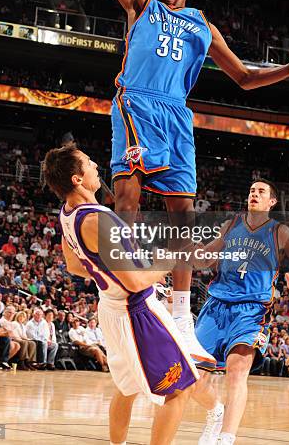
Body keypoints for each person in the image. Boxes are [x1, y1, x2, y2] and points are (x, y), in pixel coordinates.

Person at [48, 0, 289, 360]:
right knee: (128, 201)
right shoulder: (139, 5)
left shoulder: (202, 26)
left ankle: (178, 316)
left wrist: (287, 70)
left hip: (176, 114)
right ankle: (128, 292)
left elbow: (242, 77)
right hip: (136, 104)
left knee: (182, 215)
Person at [43, 143, 200, 445]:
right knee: (179, 390)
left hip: (112, 308)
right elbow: (137, 282)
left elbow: (76, 265)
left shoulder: (67, 213)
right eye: (88, 164)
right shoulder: (95, 220)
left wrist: (109, 270)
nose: (96, 167)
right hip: (135, 312)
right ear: (77, 179)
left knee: (126, 387)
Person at [195, 179, 289, 445]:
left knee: (237, 371)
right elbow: (205, 258)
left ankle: (225, 438)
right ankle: (215, 411)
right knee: (194, 376)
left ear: (272, 202)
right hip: (216, 305)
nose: (254, 193)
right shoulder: (230, 225)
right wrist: (193, 254)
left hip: (252, 309)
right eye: (251, 190)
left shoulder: (280, 232)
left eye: (261, 191)